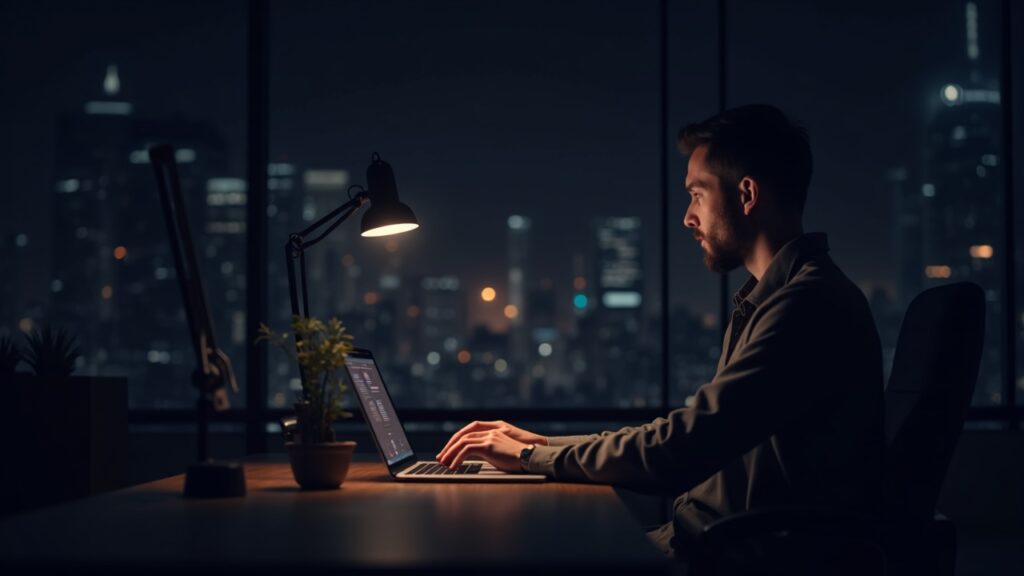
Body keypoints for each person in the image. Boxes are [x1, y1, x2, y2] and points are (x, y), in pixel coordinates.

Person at [436, 104, 883, 560]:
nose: (688, 217)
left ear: (747, 194)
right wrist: (541, 444)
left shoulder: (807, 306)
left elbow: (685, 446)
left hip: (730, 557)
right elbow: (683, 433)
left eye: (698, 195)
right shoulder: (775, 299)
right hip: (707, 543)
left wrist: (531, 458)